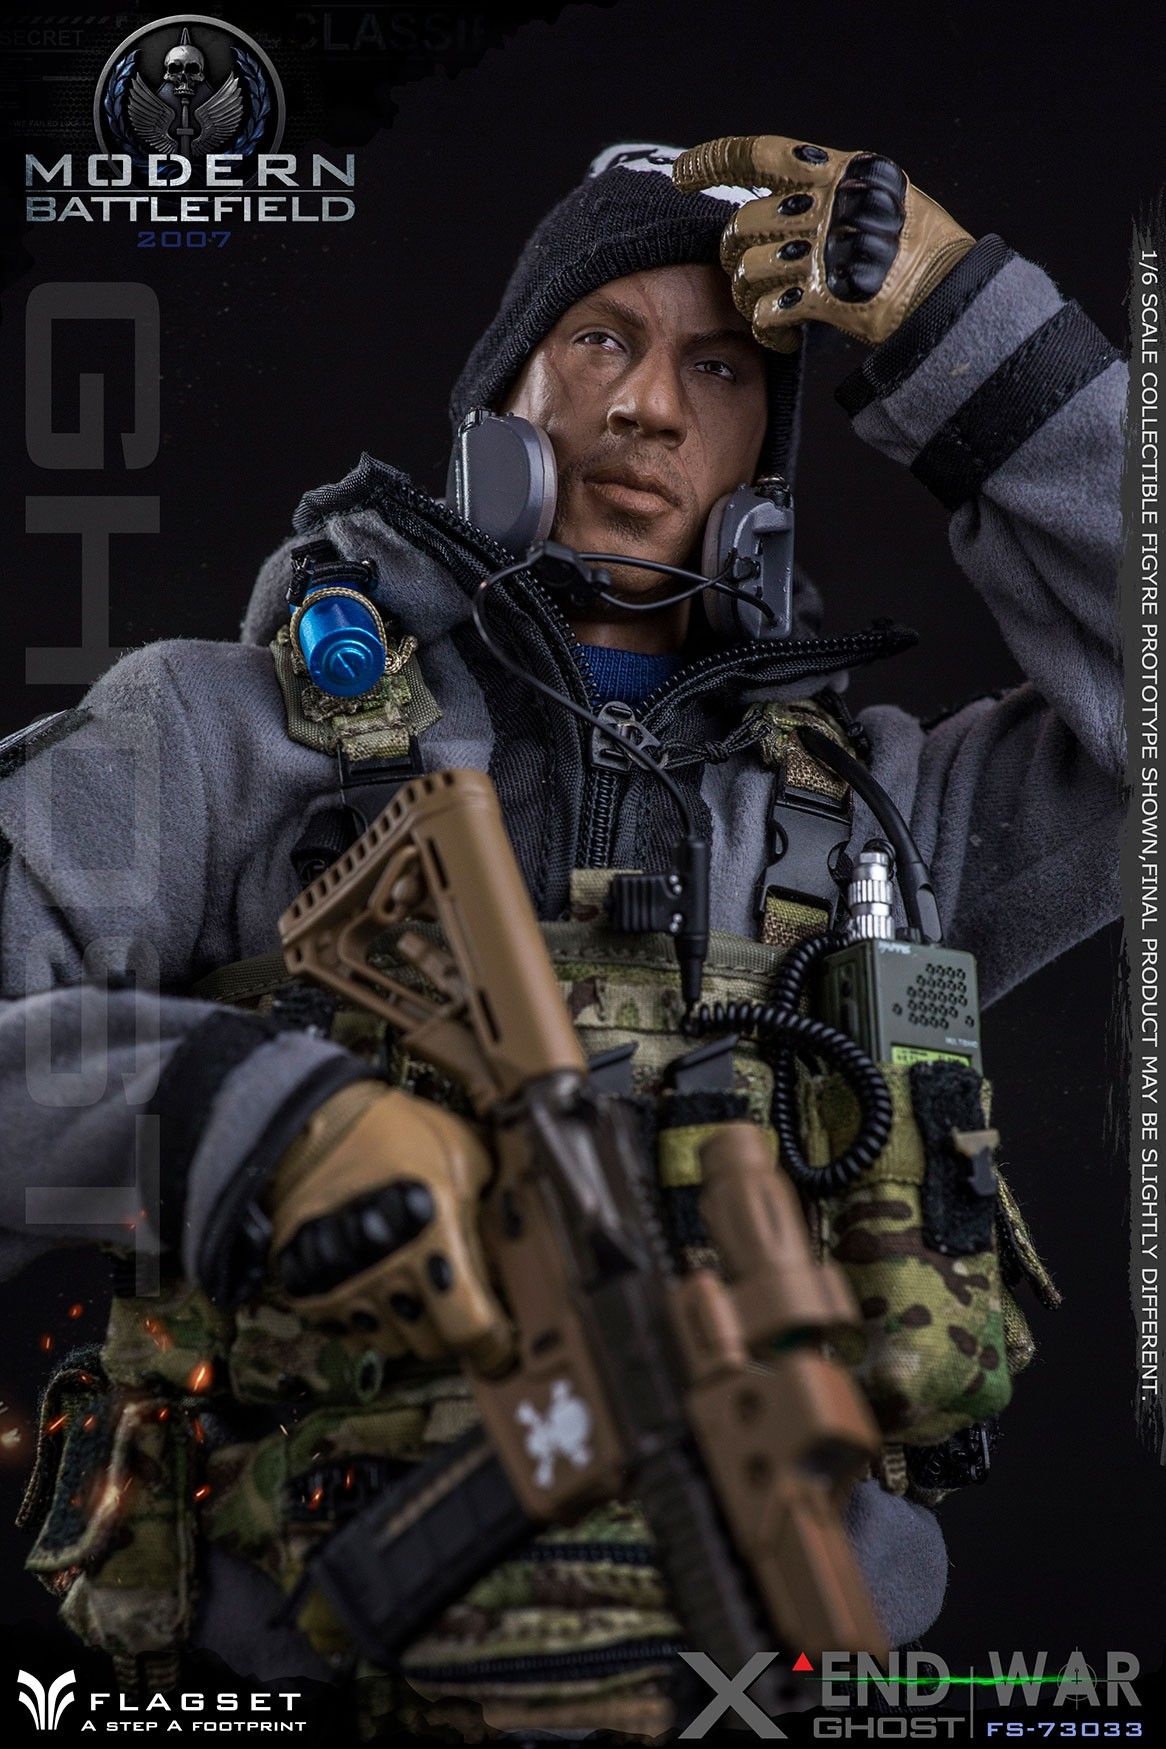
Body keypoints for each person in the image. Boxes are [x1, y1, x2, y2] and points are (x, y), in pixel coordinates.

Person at [0, 134, 1124, 1740]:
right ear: (500, 400)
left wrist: (970, 336)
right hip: (302, 1673)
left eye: (720, 368)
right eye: (601, 338)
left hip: (766, 1676)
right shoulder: (215, 735)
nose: (649, 405)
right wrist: (248, 1125)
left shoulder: (883, 816)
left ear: (762, 461)